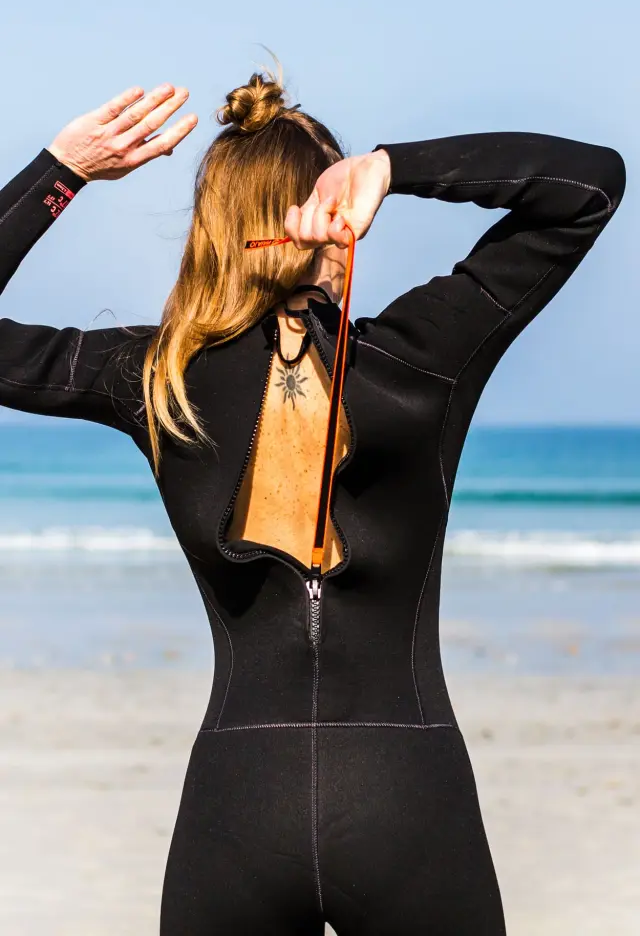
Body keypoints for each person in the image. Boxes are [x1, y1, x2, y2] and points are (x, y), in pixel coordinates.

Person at [0, 71, 625, 935]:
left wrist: (61, 170)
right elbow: (589, 187)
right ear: (341, 220)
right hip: (407, 794)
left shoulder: (157, 378)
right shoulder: (423, 359)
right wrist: (394, 167)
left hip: (236, 804)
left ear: (215, 227)